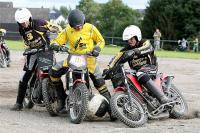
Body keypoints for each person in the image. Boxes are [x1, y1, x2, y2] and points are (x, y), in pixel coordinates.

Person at [49, 9, 115, 119]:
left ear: (84, 22)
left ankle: (112, 110)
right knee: (53, 72)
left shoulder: (90, 28)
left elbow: (101, 41)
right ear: (71, 24)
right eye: (76, 26)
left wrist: (97, 49)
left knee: (100, 83)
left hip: (89, 59)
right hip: (73, 58)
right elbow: (55, 42)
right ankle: (61, 98)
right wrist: (57, 46)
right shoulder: (67, 31)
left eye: (80, 25)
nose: (79, 27)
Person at [11, 8, 62, 111]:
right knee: (25, 76)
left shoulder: (40, 23)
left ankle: (61, 102)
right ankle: (19, 103)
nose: (23, 23)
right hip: (32, 52)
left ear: (29, 17)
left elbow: (58, 28)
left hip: (46, 50)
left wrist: (56, 43)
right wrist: (26, 51)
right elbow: (25, 41)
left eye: (25, 21)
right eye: (21, 22)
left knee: (54, 73)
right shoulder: (21, 29)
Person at [106, 25, 169, 104]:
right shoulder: (125, 50)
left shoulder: (145, 42)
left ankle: (162, 97)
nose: (129, 41)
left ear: (137, 37)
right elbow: (116, 58)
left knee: (140, 73)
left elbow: (148, 47)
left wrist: (135, 51)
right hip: (136, 71)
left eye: (131, 39)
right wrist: (108, 69)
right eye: (128, 40)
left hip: (150, 67)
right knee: (123, 75)